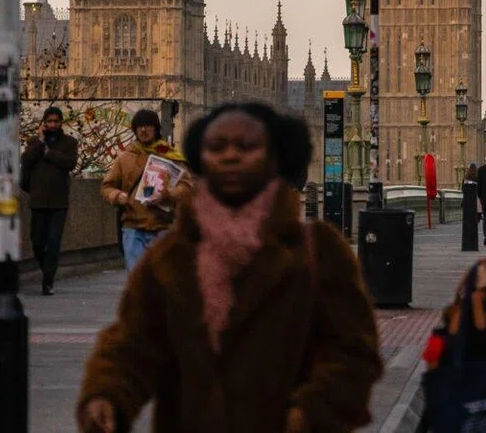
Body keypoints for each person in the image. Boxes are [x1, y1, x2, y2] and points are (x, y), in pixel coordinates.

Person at [75, 103, 382, 432]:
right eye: (217, 147)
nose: (230, 156)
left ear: (275, 157)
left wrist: (308, 414)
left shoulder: (315, 250)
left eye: (247, 146)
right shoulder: (173, 255)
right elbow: (134, 343)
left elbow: (353, 352)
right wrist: (106, 395)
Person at [101, 107, 189, 270]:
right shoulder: (125, 157)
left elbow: (187, 187)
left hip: (163, 226)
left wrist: (168, 194)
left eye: (148, 125)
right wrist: (116, 196)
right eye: (140, 126)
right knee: (137, 278)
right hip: (133, 226)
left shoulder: (170, 156)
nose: (143, 129)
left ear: (156, 128)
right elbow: (107, 186)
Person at [21, 104, 80, 294]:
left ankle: (48, 279)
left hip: (58, 200)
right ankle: (45, 267)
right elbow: (26, 160)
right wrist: (39, 142)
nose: (53, 125)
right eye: (49, 122)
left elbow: (70, 163)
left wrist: (49, 154)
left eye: (56, 121)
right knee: (37, 241)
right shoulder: (34, 142)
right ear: (44, 123)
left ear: (61, 123)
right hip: (38, 200)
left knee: (53, 242)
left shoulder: (69, 142)